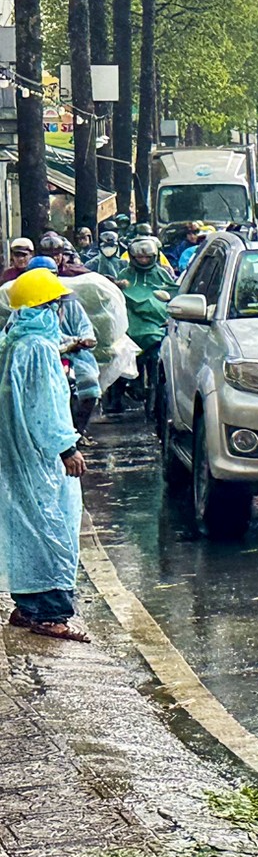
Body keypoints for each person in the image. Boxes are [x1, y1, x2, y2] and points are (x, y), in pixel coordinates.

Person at [0, 268, 90, 642]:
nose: (59, 312)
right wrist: (66, 447)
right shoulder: (36, 350)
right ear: (43, 308)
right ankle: (51, 613)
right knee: (53, 527)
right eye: (55, 305)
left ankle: (28, 604)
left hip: (16, 454)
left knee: (25, 527)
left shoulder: (13, 343)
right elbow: (46, 406)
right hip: (40, 458)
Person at [22, 258, 100, 438]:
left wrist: (84, 340)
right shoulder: (24, 305)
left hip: (73, 356)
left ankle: (79, 431)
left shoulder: (69, 302)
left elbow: (85, 326)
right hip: (37, 357)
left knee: (89, 383)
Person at [110, 237, 176, 414]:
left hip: (155, 327)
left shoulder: (162, 273)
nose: (144, 260)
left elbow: (173, 292)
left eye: (147, 257)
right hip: (131, 328)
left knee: (158, 358)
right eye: (140, 257)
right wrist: (118, 286)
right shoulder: (125, 274)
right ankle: (115, 400)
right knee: (119, 359)